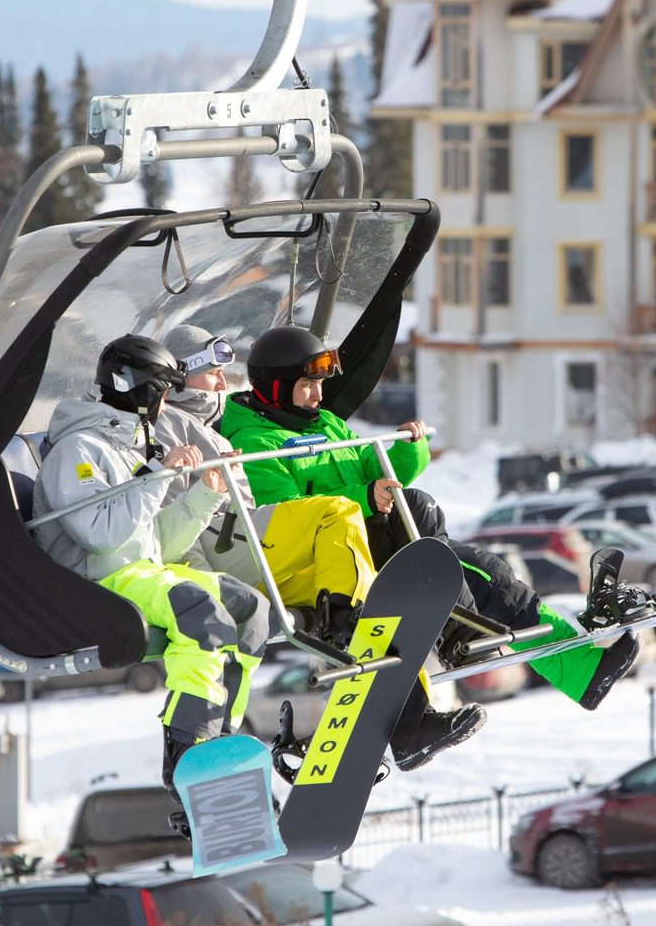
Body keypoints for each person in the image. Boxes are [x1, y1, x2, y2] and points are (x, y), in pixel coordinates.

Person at [220, 325, 639, 715]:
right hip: (329, 561)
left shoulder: (325, 425)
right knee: (471, 568)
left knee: (476, 566)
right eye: (307, 385)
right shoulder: (252, 443)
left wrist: (407, 449)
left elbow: (374, 464)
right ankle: (477, 638)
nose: (317, 395)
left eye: (319, 385)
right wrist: (364, 498)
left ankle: (554, 661)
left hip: (368, 539)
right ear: (275, 388)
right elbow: (286, 512)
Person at [156, 324, 483, 771]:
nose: (220, 384)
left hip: (252, 545)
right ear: (178, 377)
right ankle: (345, 627)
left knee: (375, 598)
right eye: (210, 373)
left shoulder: (210, 426)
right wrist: (197, 577)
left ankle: (408, 724)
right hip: (223, 556)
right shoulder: (169, 428)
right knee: (335, 514)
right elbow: (172, 522)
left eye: (222, 374)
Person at [30, 334, 273, 812]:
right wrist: (158, 474)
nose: (165, 403)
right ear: (134, 388)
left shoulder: (126, 446)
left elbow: (156, 541)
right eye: (160, 392)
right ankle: (188, 760)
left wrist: (205, 494)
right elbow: (99, 535)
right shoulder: (80, 451)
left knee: (249, 608)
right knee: (200, 614)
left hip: (136, 570)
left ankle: (223, 739)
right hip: (91, 581)